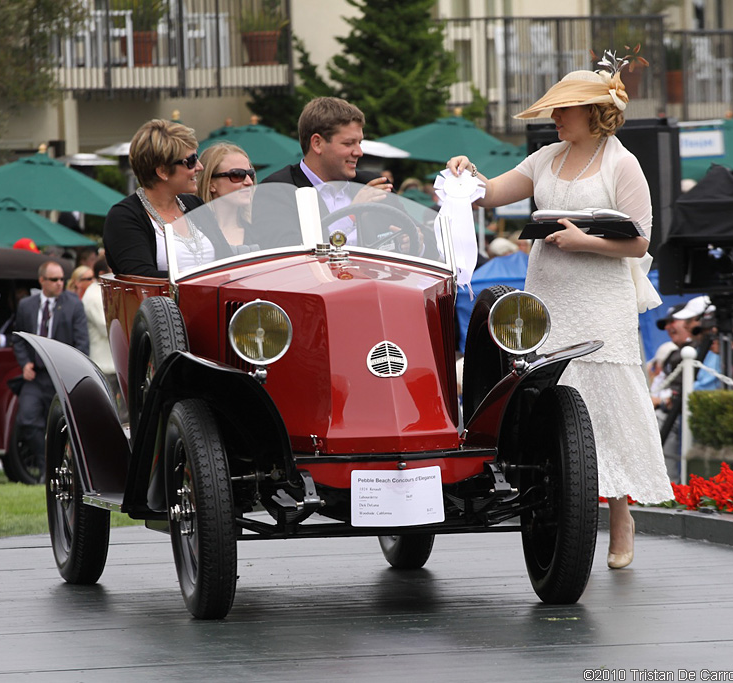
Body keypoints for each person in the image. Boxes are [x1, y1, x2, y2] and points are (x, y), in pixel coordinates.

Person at [447, 59, 673, 569]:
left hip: (600, 301)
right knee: (553, 404)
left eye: (562, 109)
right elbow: (491, 193)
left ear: (593, 113)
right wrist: (464, 175)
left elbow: (639, 242)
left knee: (607, 409)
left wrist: (583, 241)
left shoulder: (623, 163)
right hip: (548, 298)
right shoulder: (545, 158)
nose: (554, 118)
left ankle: (620, 518)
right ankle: (562, 512)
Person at [258, 97, 397, 248]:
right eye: (348, 143)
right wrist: (351, 215)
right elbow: (288, 256)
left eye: (359, 143)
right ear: (317, 143)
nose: (359, 152)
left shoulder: (374, 185)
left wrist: (414, 243)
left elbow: (415, 237)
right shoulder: (277, 190)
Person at [103, 119, 223, 278]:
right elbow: (141, 279)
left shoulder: (194, 204)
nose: (200, 167)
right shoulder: (124, 217)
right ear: (163, 172)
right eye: (191, 161)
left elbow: (227, 260)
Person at [11, 260, 89, 482]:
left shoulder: (73, 304)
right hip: (36, 375)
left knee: (64, 425)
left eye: (62, 279)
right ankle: (47, 465)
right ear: (42, 281)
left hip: (61, 376)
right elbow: (18, 339)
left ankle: (63, 470)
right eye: (54, 279)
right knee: (27, 418)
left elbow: (82, 344)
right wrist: (24, 362)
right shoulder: (27, 305)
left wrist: (72, 373)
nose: (60, 283)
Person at [81, 257, 126, 423]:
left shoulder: (102, 291)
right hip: (104, 363)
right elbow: (105, 326)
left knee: (122, 410)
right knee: (108, 410)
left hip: (112, 362)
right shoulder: (93, 296)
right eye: (111, 270)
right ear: (101, 273)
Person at [196, 143, 259, 254]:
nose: (249, 182)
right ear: (211, 184)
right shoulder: (193, 233)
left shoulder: (259, 231)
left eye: (251, 174)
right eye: (237, 175)